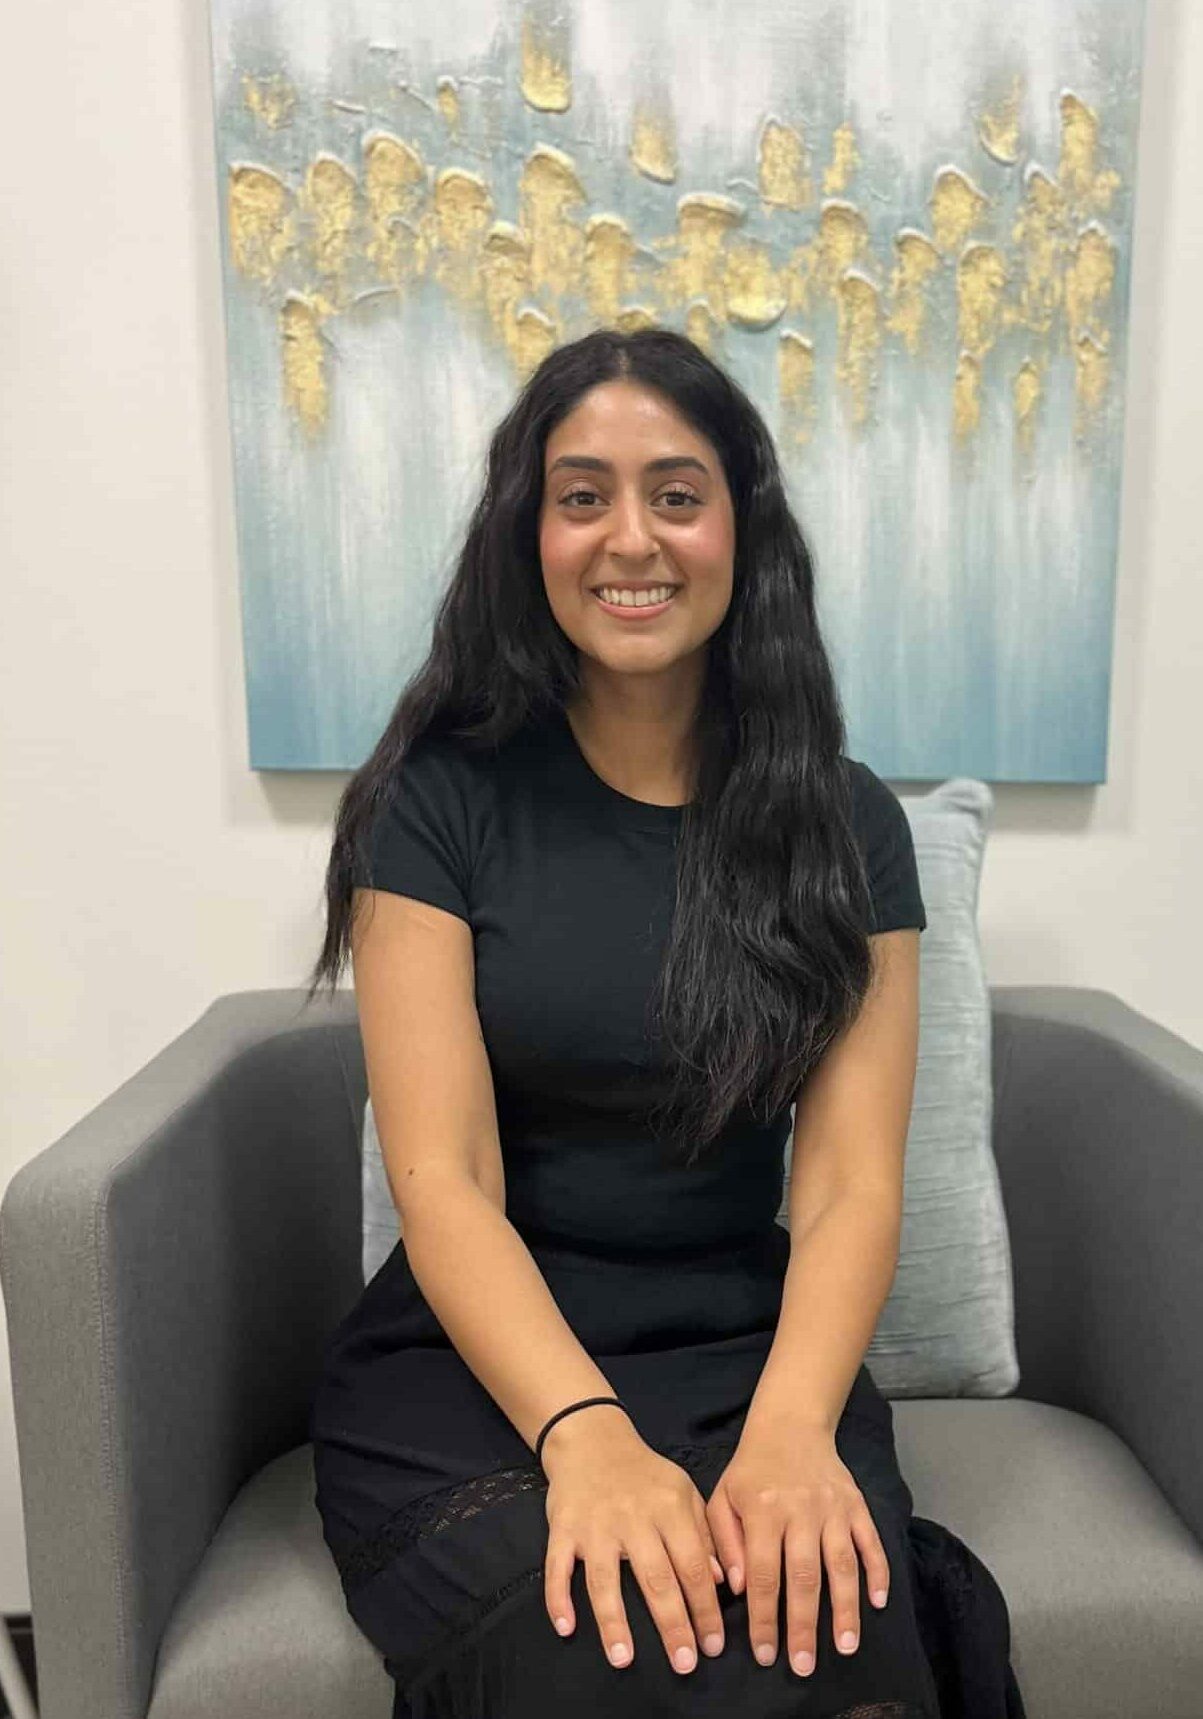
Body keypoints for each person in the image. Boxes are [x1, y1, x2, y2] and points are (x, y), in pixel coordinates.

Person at [305, 326, 1026, 1718]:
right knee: (606, 1649)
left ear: (742, 530)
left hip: (751, 1352)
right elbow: (440, 1178)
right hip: (478, 1364)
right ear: (530, 533)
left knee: (843, 1653)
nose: (629, 538)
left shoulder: (847, 821)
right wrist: (586, 1439)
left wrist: (795, 1428)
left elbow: (848, 1181)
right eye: (582, 496)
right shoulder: (434, 802)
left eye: (676, 494)